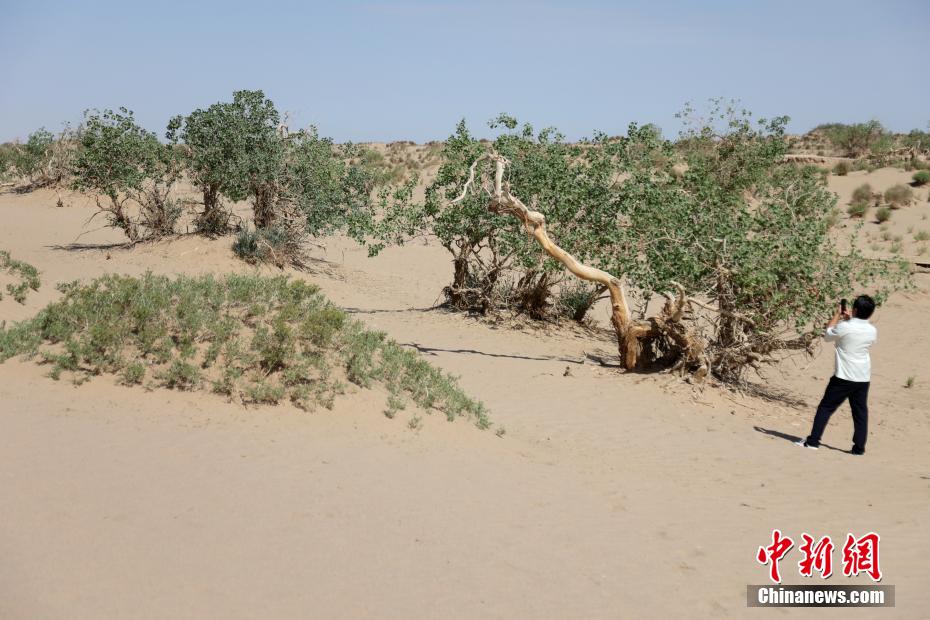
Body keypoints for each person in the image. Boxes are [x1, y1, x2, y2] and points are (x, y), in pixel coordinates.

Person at [798, 295, 877, 455]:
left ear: (854, 309)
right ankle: (859, 448)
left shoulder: (844, 327)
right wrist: (849, 320)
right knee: (860, 412)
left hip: (843, 377)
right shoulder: (872, 330)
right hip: (862, 377)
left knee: (825, 408)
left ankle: (812, 442)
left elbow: (827, 335)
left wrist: (837, 316)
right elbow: (856, 333)